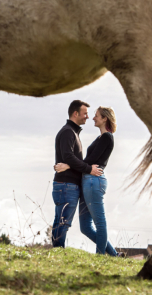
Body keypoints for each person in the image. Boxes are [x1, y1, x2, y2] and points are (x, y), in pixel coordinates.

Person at [55, 106, 119, 256]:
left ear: (105, 119)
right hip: (87, 181)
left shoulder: (107, 137)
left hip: (94, 181)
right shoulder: (99, 138)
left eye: (96, 116)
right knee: (85, 227)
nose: (93, 118)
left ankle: (100, 256)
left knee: (99, 223)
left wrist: (68, 166)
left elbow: (91, 160)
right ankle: (114, 254)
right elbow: (88, 161)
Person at [51, 100, 103, 248]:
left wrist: (69, 165)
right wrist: (89, 169)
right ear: (75, 113)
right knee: (63, 222)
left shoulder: (72, 132)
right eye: (85, 113)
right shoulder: (68, 131)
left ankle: (56, 252)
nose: (87, 116)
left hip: (67, 185)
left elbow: (70, 159)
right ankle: (58, 252)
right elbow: (68, 156)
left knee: (60, 221)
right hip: (66, 185)